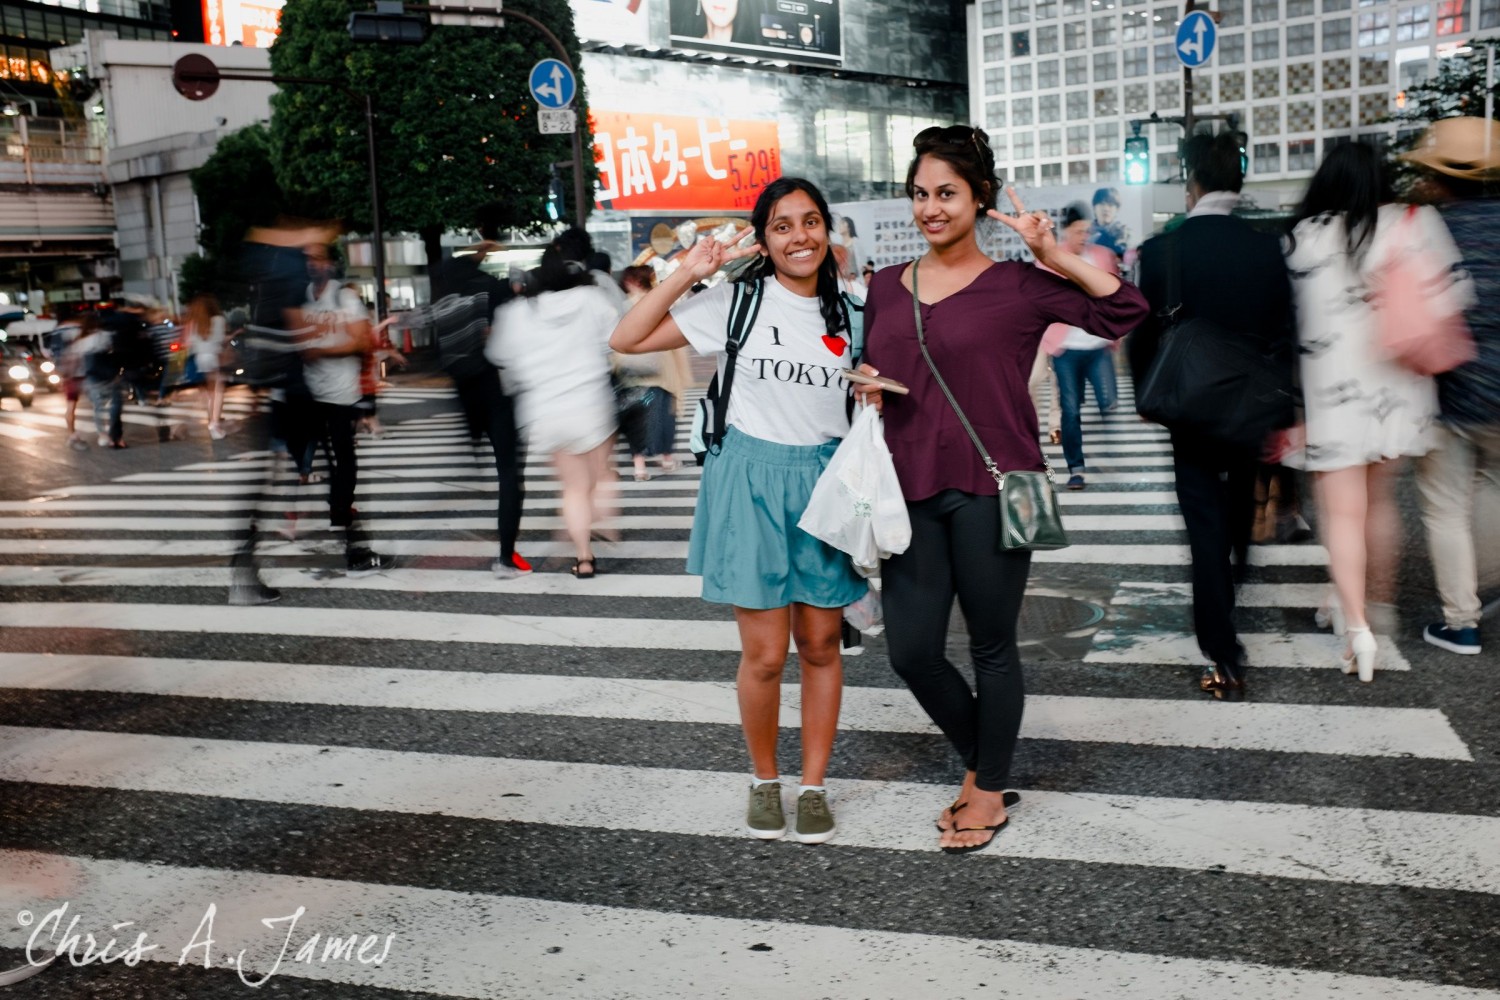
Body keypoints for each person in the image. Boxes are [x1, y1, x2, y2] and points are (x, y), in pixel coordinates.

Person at [855, 126, 1147, 853]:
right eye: (920, 194)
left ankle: (986, 789)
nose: (931, 208)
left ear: (979, 198)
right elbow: (874, 365)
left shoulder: (1019, 285)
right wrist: (865, 389)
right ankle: (988, 762)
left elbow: (1123, 312)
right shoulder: (887, 286)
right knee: (911, 651)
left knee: (992, 647)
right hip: (908, 484)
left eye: (947, 194)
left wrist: (1053, 255)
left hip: (992, 486)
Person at [611, 177, 866, 846]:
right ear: (764, 238)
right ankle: (764, 780)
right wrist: (688, 271)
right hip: (749, 478)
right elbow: (628, 337)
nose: (800, 236)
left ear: (827, 231)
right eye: (783, 225)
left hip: (825, 483)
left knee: (820, 645)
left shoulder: (857, 312)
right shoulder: (737, 301)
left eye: (811, 222)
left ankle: (813, 786)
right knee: (763, 655)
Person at [1283, 142, 1472, 681]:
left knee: (1343, 514)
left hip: (1332, 395)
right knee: (1381, 501)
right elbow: (1453, 298)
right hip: (1400, 389)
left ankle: (1356, 629)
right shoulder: (1416, 220)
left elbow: (1290, 325)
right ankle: (1376, 607)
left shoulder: (1302, 236)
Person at [1130, 132, 1297, 700]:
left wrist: (1147, 397)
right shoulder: (1267, 246)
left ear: (1190, 179)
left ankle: (1222, 653)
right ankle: (1230, 596)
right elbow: (1287, 332)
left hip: (1191, 407)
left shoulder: (1162, 251)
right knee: (1240, 514)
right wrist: (1286, 407)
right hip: (1251, 403)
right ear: (1239, 179)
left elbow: (1142, 331)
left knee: (1203, 526)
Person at [1404, 117, 1500, 657]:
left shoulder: (1429, 229)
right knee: (1495, 486)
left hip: (1447, 389)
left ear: (1437, 179)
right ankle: (1485, 577)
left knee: (1444, 506)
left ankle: (1461, 621)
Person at [488, 249, 619, 578]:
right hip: (591, 404)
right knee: (600, 475)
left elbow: (499, 354)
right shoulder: (592, 299)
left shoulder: (518, 311)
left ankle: (584, 556)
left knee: (573, 487)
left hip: (546, 410)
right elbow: (617, 339)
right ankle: (598, 513)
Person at [431, 242, 530, 578]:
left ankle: (473, 453)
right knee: (510, 475)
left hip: (465, 394)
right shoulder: (489, 290)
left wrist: (478, 251)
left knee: (496, 464)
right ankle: (505, 557)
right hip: (498, 392)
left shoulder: (441, 303)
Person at [302, 241, 387, 577]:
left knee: (344, 459)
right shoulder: (303, 298)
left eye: (318, 258)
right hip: (311, 393)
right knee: (321, 459)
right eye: (307, 258)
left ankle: (342, 516)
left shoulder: (345, 298)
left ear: (330, 263)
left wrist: (324, 350)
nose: (312, 264)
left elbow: (362, 341)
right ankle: (339, 516)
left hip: (341, 394)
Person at [1048, 201, 1121, 491]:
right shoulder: (1053, 258)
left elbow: (1116, 294)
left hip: (1098, 345)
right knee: (1070, 410)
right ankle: (1076, 468)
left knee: (1109, 402)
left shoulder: (1102, 256)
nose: (1082, 237)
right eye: (1077, 231)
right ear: (1066, 231)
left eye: (1085, 231)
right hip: (1066, 348)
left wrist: (1117, 330)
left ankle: (1108, 452)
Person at [614, 265, 690, 481]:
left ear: (631, 282)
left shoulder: (623, 307)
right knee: (663, 418)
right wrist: (683, 376)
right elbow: (677, 342)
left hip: (630, 376)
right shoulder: (660, 304)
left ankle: (639, 467)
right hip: (661, 376)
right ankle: (666, 458)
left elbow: (614, 343)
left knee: (634, 420)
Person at [183, 294, 228, 439]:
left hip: (200, 358)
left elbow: (189, 343)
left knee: (210, 391)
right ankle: (215, 424)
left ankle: (212, 420)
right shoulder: (219, 320)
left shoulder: (194, 322)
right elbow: (221, 340)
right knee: (219, 390)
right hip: (214, 356)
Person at [1090, 186, 1129, 258]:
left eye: (1110, 205)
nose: (1106, 209)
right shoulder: (1086, 232)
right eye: (1101, 204)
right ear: (1094, 207)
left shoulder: (1123, 232)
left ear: (1117, 209)